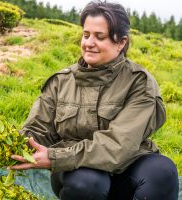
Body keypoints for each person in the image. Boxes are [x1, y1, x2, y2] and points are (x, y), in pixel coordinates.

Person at [9, 1, 179, 199]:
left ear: (121, 43)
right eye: (86, 34)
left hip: (127, 167)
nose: (89, 43)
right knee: (88, 183)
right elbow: (38, 130)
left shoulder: (139, 83)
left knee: (163, 172)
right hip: (77, 174)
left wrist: (54, 157)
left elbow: (118, 145)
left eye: (100, 37)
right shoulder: (61, 82)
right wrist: (16, 144)